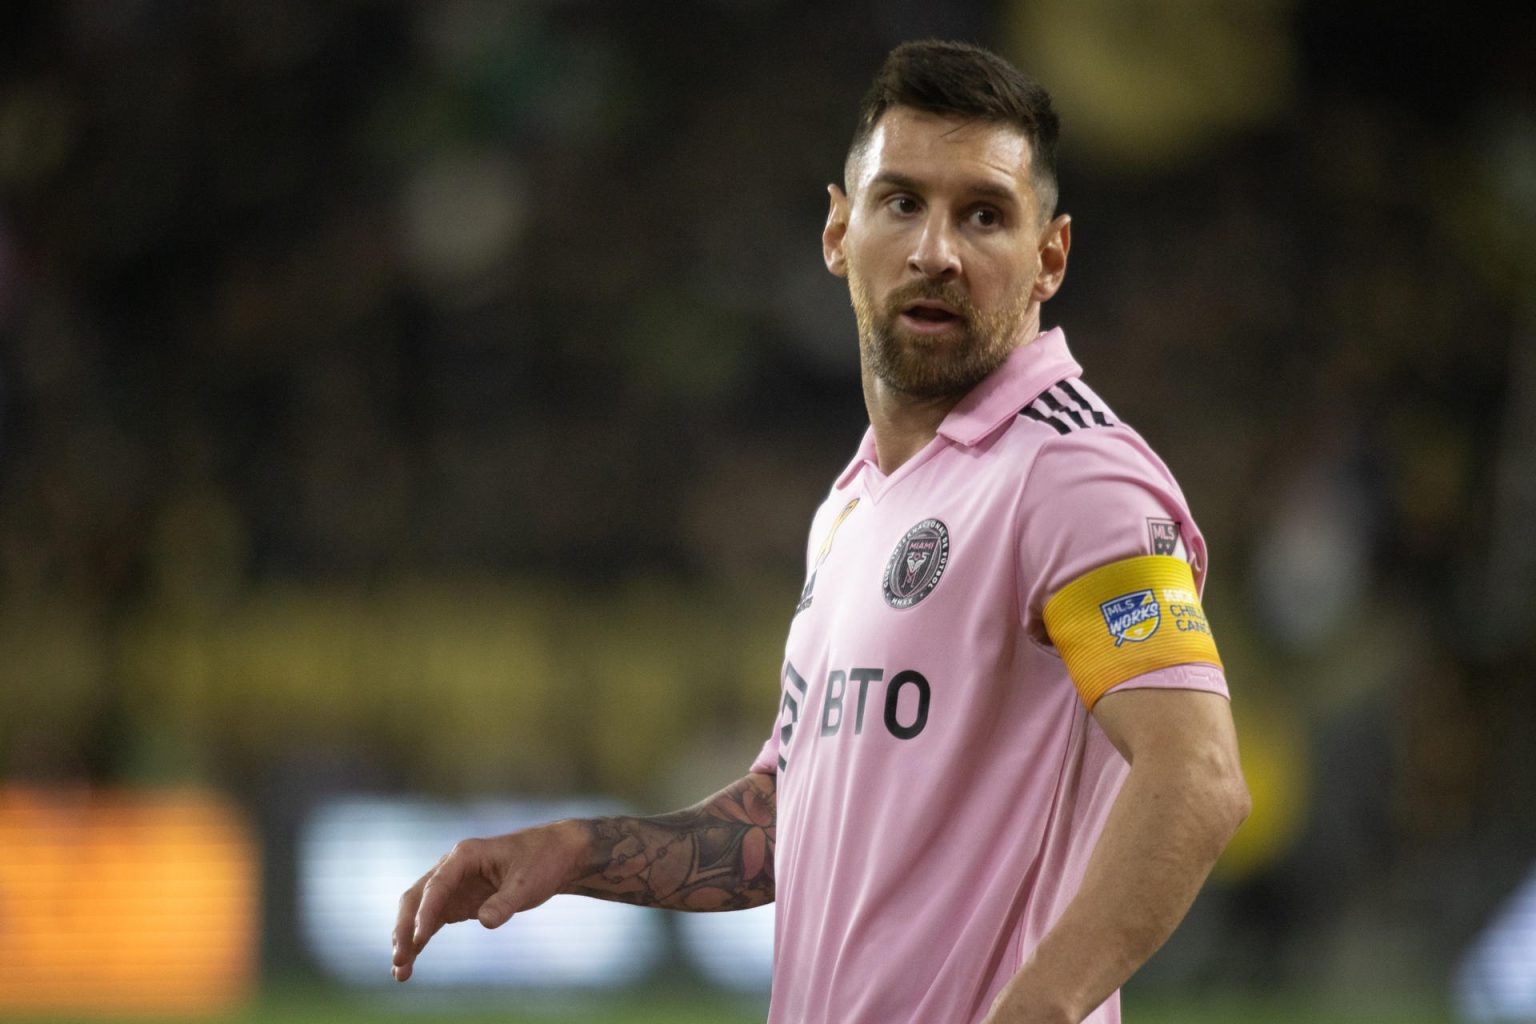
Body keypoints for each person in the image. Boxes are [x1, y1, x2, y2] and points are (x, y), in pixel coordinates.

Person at [391, 39, 1249, 1024]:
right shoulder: (854, 504)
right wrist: (573, 851)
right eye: (901, 202)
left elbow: (1197, 774)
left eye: (983, 214)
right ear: (839, 232)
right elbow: (779, 823)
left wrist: (1040, 1010)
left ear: (1049, 256)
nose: (936, 251)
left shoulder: (1069, 475)